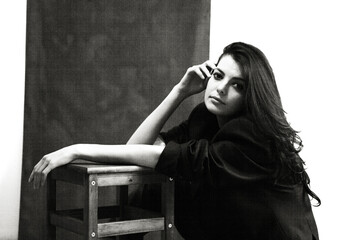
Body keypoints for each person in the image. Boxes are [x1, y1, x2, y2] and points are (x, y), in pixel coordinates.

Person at [29, 42, 320, 239]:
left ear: (251, 95)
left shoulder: (253, 134)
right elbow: (137, 149)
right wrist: (178, 91)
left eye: (237, 85)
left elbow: (163, 157)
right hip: (235, 229)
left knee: (170, 172)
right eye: (218, 76)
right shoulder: (204, 119)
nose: (220, 89)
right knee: (151, 187)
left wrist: (77, 149)